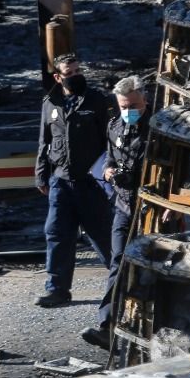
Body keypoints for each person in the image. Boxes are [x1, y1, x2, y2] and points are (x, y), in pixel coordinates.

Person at [35, 53, 113, 308]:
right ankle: (57, 290)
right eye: (70, 73)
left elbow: (110, 141)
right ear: (58, 77)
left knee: (102, 235)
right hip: (60, 182)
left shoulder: (97, 101)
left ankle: (122, 285)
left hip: (91, 183)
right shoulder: (50, 103)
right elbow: (44, 142)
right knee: (57, 234)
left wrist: (110, 172)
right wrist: (41, 174)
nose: (76, 76)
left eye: (78, 70)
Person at [83, 75, 150, 349]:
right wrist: (108, 172)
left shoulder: (159, 128)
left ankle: (150, 329)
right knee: (118, 263)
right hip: (123, 205)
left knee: (150, 270)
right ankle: (107, 326)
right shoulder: (114, 126)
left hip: (150, 207)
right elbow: (109, 159)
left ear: (145, 99)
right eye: (124, 106)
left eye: (133, 105)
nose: (129, 111)